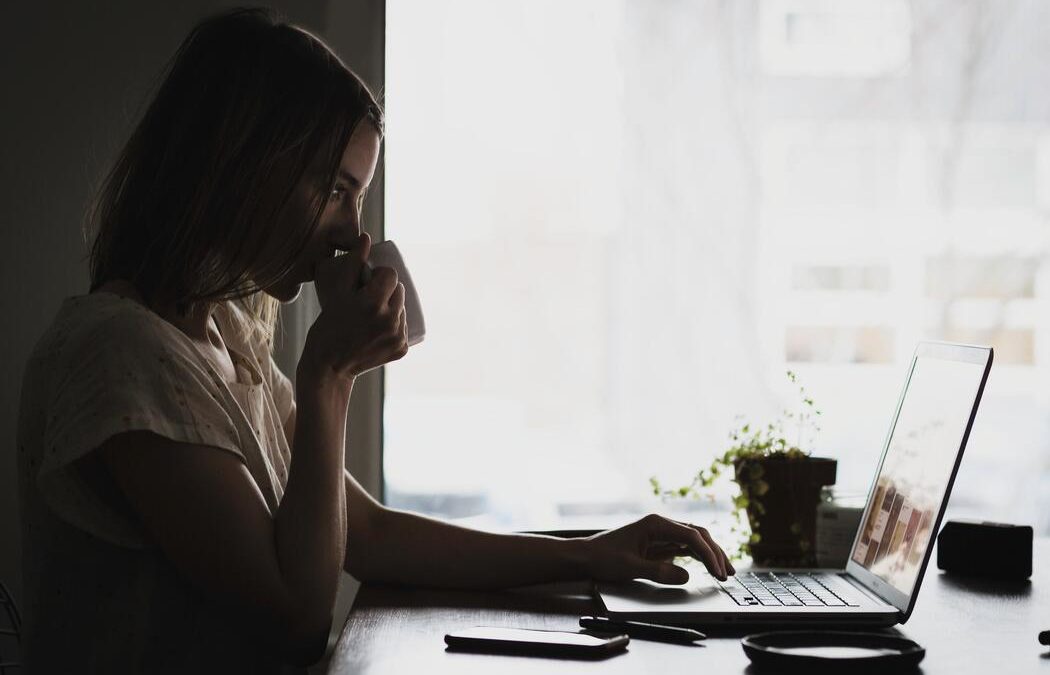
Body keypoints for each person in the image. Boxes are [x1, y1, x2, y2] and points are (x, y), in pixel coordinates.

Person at [15, 8, 733, 673]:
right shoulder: (120, 354)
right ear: (242, 165)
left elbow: (369, 533)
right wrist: (330, 372)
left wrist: (591, 553)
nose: (354, 230)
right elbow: (294, 617)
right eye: (334, 187)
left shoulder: (224, 343)